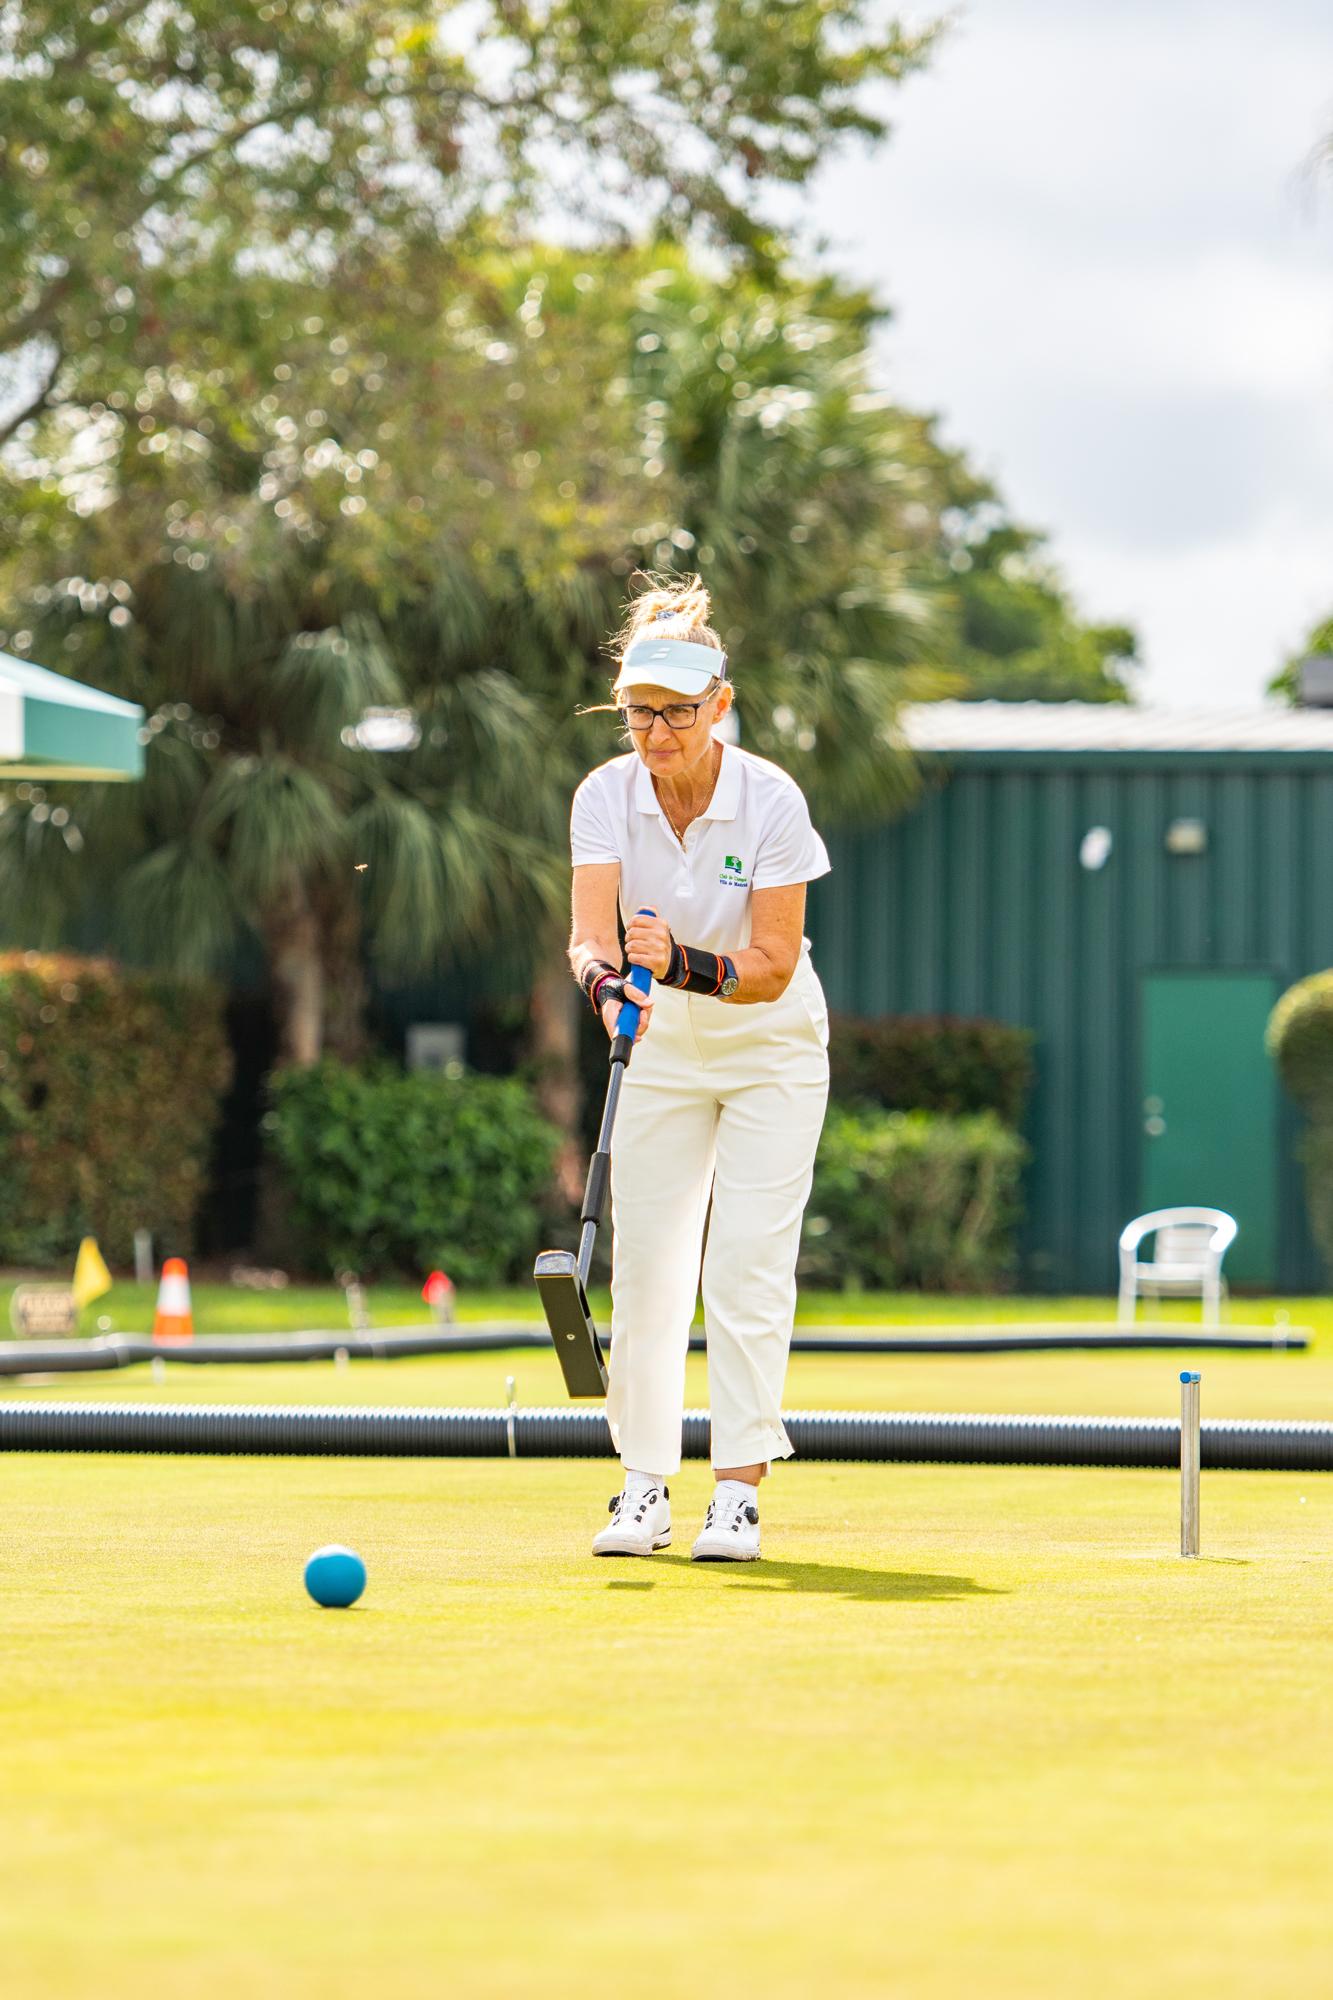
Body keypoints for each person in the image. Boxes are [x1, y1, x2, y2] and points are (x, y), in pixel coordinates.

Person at [568, 574, 831, 1561]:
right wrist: (606, 989)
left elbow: (766, 967)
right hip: (659, 1047)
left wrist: (676, 961)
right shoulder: (604, 795)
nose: (656, 736)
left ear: (717, 704)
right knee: (646, 1269)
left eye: (676, 714)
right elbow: (589, 938)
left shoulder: (769, 799)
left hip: (769, 1046)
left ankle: (736, 1493)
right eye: (640, 714)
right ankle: (642, 1486)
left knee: (745, 1263)